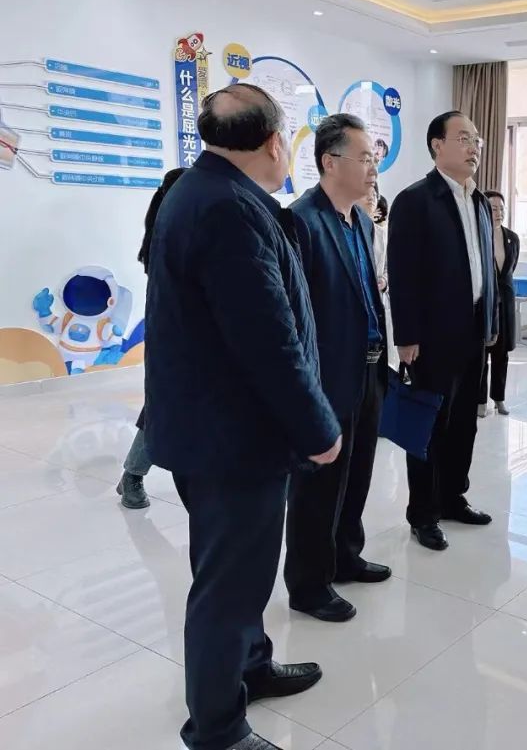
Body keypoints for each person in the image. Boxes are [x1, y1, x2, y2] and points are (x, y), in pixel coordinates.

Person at [144, 83, 342, 750]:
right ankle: (217, 728)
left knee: (243, 571)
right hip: (232, 438)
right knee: (228, 586)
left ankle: (250, 668)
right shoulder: (228, 208)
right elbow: (267, 341)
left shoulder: (204, 192)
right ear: (275, 142)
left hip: (217, 430)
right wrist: (319, 427)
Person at [280, 113, 392, 624]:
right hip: (326, 373)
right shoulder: (301, 221)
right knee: (319, 484)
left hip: (368, 367)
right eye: (364, 157)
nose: (373, 167)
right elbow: (293, 313)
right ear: (330, 161)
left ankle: (346, 555)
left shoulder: (362, 221)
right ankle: (308, 584)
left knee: (358, 471)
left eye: (374, 158)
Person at [387, 110, 498, 551]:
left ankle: (453, 496)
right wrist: (406, 336)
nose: (475, 147)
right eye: (465, 138)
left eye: (477, 140)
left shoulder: (479, 202)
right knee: (429, 424)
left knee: (464, 422)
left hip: (474, 331)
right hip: (432, 336)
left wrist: (490, 322)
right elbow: (403, 273)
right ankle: (423, 512)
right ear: (437, 145)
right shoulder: (415, 200)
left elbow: (485, 269)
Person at [116, 166, 186, 510]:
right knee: (163, 404)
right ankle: (132, 474)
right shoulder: (164, 239)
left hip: (200, 337)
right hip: (175, 337)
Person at [478, 190, 519, 418]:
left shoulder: (512, 238)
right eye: (493, 209)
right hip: (486, 303)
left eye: (501, 208)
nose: (498, 213)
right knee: (482, 355)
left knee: (502, 355)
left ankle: (499, 398)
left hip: (506, 304)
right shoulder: (478, 237)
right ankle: (480, 400)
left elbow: (510, 269)